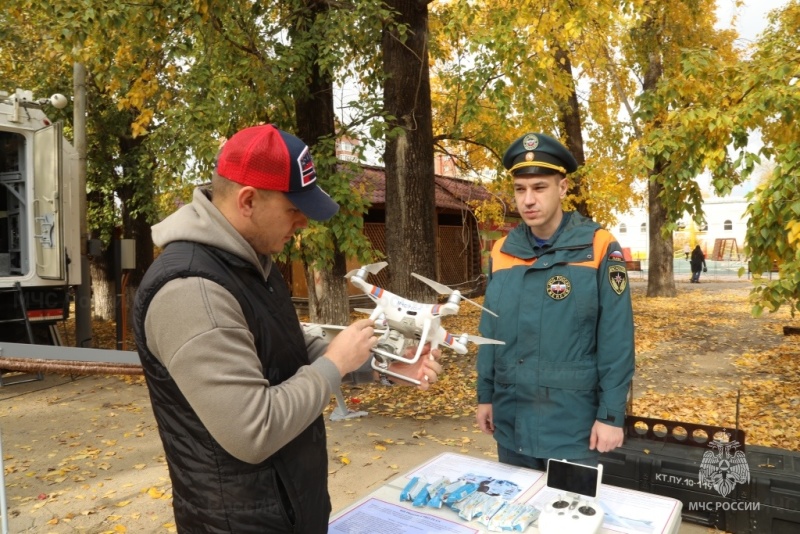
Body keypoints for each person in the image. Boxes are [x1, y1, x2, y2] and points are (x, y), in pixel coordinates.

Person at [133, 124, 442, 533]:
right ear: (248, 201)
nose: (302, 223)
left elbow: (285, 349)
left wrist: (381, 365)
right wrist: (336, 363)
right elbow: (253, 430)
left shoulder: (250, 263)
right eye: (293, 209)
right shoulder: (192, 292)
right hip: (239, 522)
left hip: (287, 508)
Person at [475, 132, 635, 471]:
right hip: (512, 423)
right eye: (520, 190)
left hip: (572, 430)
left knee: (567, 519)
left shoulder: (599, 246)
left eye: (540, 188)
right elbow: (490, 330)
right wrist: (485, 396)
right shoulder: (502, 252)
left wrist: (611, 415)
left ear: (562, 188)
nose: (528, 200)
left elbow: (616, 337)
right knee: (516, 517)